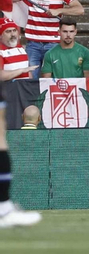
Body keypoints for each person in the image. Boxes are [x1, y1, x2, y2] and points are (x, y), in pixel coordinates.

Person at [0, 94, 40, 226]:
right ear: (39, 119)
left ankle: (4, 208)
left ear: (22, 117)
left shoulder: (14, 137)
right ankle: (4, 209)